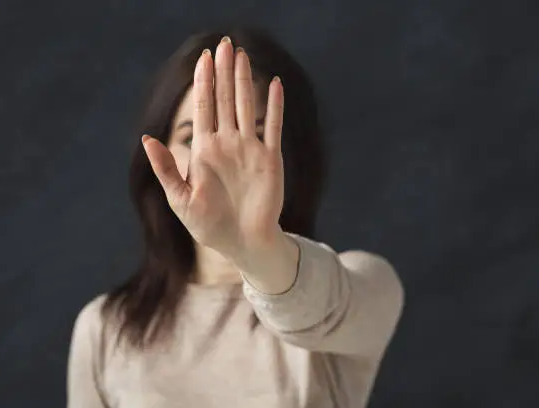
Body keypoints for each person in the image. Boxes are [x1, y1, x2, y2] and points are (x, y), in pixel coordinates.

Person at [67, 27, 404, 408]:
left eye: (252, 135)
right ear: (158, 158)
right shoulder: (105, 328)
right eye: (192, 137)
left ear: (293, 156)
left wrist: (256, 248)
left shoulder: (364, 288)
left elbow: (313, 307)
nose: (217, 159)